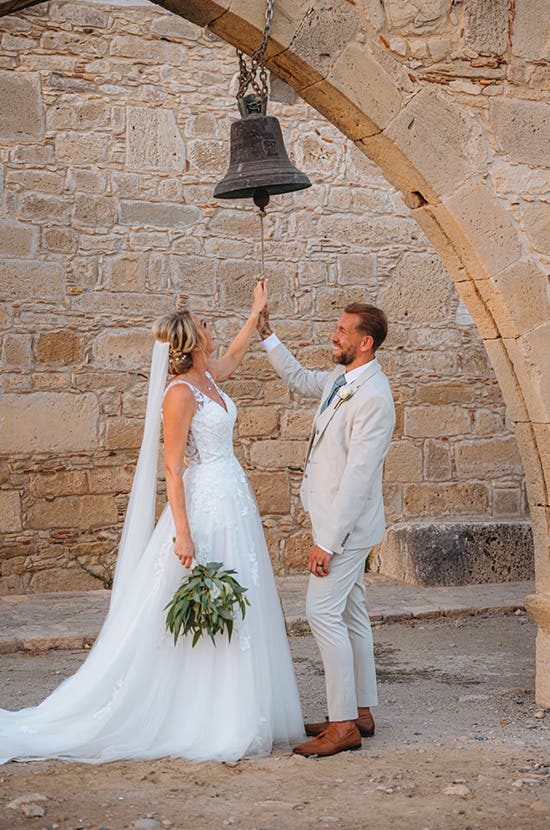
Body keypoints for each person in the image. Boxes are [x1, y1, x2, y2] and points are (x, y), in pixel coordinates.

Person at [0, 280, 303, 764]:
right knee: (193, 596)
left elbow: (234, 358)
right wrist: (182, 531)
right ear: (191, 342)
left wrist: (255, 313)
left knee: (240, 598)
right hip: (204, 506)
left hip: (233, 501)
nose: (211, 329)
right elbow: (173, 467)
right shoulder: (180, 394)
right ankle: (192, 714)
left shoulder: (211, 379)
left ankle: (238, 709)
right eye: (205, 326)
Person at [258, 302, 395, 757]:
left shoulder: (375, 397)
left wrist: (326, 543)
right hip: (333, 523)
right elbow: (299, 380)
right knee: (351, 615)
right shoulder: (340, 380)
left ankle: (342, 726)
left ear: (365, 342)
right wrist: (267, 335)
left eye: (341, 331)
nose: (333, 336)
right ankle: (360, 711)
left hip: (347, 531)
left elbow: (358, 479)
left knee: (321, 613)